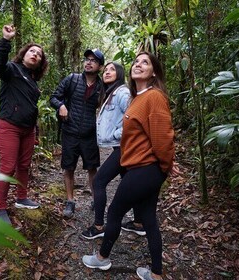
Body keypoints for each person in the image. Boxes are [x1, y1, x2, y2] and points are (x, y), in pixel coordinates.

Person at [82, 52, 180, 280]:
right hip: (144, 168)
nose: (138, 65)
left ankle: (102, 258)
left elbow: (163, 137)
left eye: (145, 62)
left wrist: (165, 165)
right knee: (148, 218)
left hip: (146, 168)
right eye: (136, 62)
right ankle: (156, 274)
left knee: (115, 212)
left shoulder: (154, 97)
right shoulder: (138, 97)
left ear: (154, 72)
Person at [0, 24, 49, 224]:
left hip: (28, 130)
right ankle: (0, 208)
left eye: (39, 54)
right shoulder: (12, 70)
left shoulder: (33, 82)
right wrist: (5, 40)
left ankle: (21, 198)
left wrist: (36, 131)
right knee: (7, 167)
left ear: (41, 63)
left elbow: (32, 108)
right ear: (24, 54)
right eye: (32, 51)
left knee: (24, 165)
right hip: (9, 126)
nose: (35, 54)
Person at [81, 62, 145, 239]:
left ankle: (99, 226)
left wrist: (118, 134)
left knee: (99, 181)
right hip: (122, 146)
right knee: (128, 182)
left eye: (112, 69)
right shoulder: (110, 93)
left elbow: (134, 119)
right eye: (106, 69)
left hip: (125, 147)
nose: (108, 72)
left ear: (120, 73)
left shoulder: (122, 93)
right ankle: (139, 222)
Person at [50, 49, 105, 218]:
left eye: (93, 61)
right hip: (70, 132)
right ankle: (70, 201)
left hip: (90, 135)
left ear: (100, 67)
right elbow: (53, 97)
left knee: (92, 168)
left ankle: (96, 200)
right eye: (87, 59)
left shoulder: (102, 87)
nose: (88, 62)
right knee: (68, 167)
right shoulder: (72, 79)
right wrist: (61, 106)